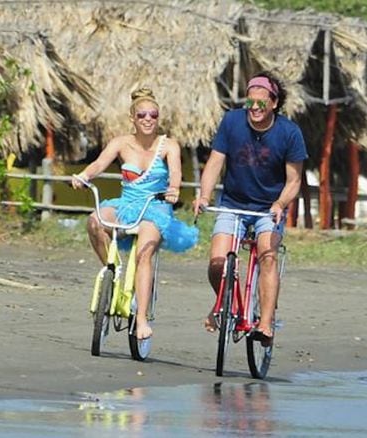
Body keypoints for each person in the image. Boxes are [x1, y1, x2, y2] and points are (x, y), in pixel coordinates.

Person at [72, 87, 199, 340]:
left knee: (143, 254)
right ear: (132, 118)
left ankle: (140, 318)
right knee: (95, 221)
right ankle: (114, 272)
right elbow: (99, 163)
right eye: (142, 115)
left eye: (153, 114)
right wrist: (84, 175)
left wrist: (174, 189)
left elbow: (176, 172)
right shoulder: (120, 142)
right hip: (127, 204)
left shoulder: (168, 145)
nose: (148, 119)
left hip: (155, 207)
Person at [193, 71, 308, 346]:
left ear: (274, 103)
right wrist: (204, 196)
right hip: (233, 203)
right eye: (250, 103)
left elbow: (294, 181)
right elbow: (215, 163)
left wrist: (280, 204)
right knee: (217, 263)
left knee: (267, 255)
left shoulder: (289, 133)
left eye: (261, 104)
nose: (254, 109)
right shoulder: (232, 122)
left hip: (269, 208)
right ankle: (224, 303)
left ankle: (266, 324)